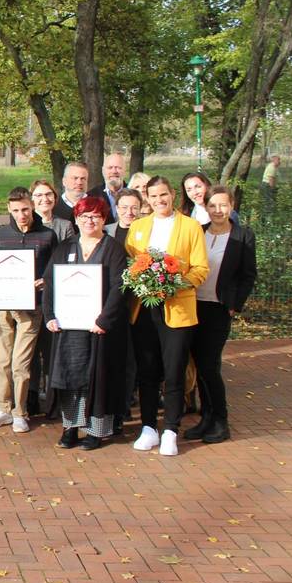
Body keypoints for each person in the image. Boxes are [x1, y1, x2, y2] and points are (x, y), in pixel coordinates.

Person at [125, 175, 209, 457]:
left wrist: (175, 282)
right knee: (147, 371)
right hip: (144, 309)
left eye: (164, 195)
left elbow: (200, 268)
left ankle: (171, 428)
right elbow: (131, 263)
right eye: (153, 196)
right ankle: (149, 427)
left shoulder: (190, 226)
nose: (159, 200)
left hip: (178, 308)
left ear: (172, 194)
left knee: (174, 371)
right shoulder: (138, 227)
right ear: (146, 198)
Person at [43, 196, 129, 450]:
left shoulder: (113, 248)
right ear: (77, 220)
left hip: (100, 328)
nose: (90, 220)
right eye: (84, 216)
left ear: (104, 219)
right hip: (69, 327)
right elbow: (50, 283)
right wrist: (49, 316)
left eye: (96, 216)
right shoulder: (65, 247)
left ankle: (96, 430)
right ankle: (71, 427)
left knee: (98, 379)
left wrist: (104, 319)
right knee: (70, 377)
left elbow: (119, 287)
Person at [185, 185, 256, 445]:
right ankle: (206, 418)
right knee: (198, 363)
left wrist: (235, 304)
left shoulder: (242, 236)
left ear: (232, 206)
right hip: (193, 305)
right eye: (212, 205)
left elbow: (248, 275)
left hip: (219, 308)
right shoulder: (198, 232)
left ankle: (221, 420)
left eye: (223, 205)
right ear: (205, 207)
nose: (218, 210)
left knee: (209, 365)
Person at [0, 187, 55, 434]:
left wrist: (44, 279)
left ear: (32, 206)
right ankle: (2, 408)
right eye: (15, 211)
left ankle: (20, 412)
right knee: (2, 360)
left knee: (20, 363)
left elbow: (53, 268)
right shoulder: (1, 234)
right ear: (9, 210)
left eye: (25, 209)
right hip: (3, 306)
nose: (21, 215)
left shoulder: (47, 235)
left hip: (31, 308)